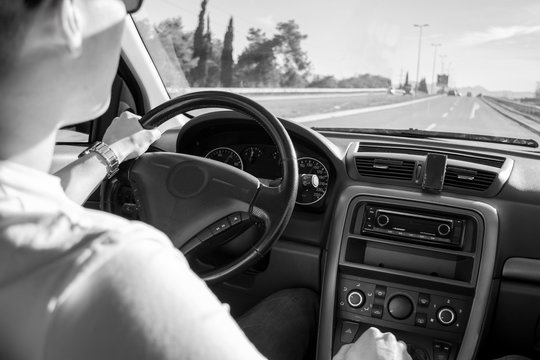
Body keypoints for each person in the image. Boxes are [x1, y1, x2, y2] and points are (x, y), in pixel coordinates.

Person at [0, 0, 412, 359]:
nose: (128, 10)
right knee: (300, 305)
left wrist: (112, 152)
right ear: (68, 19)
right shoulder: (112, 266)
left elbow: (42, 204)